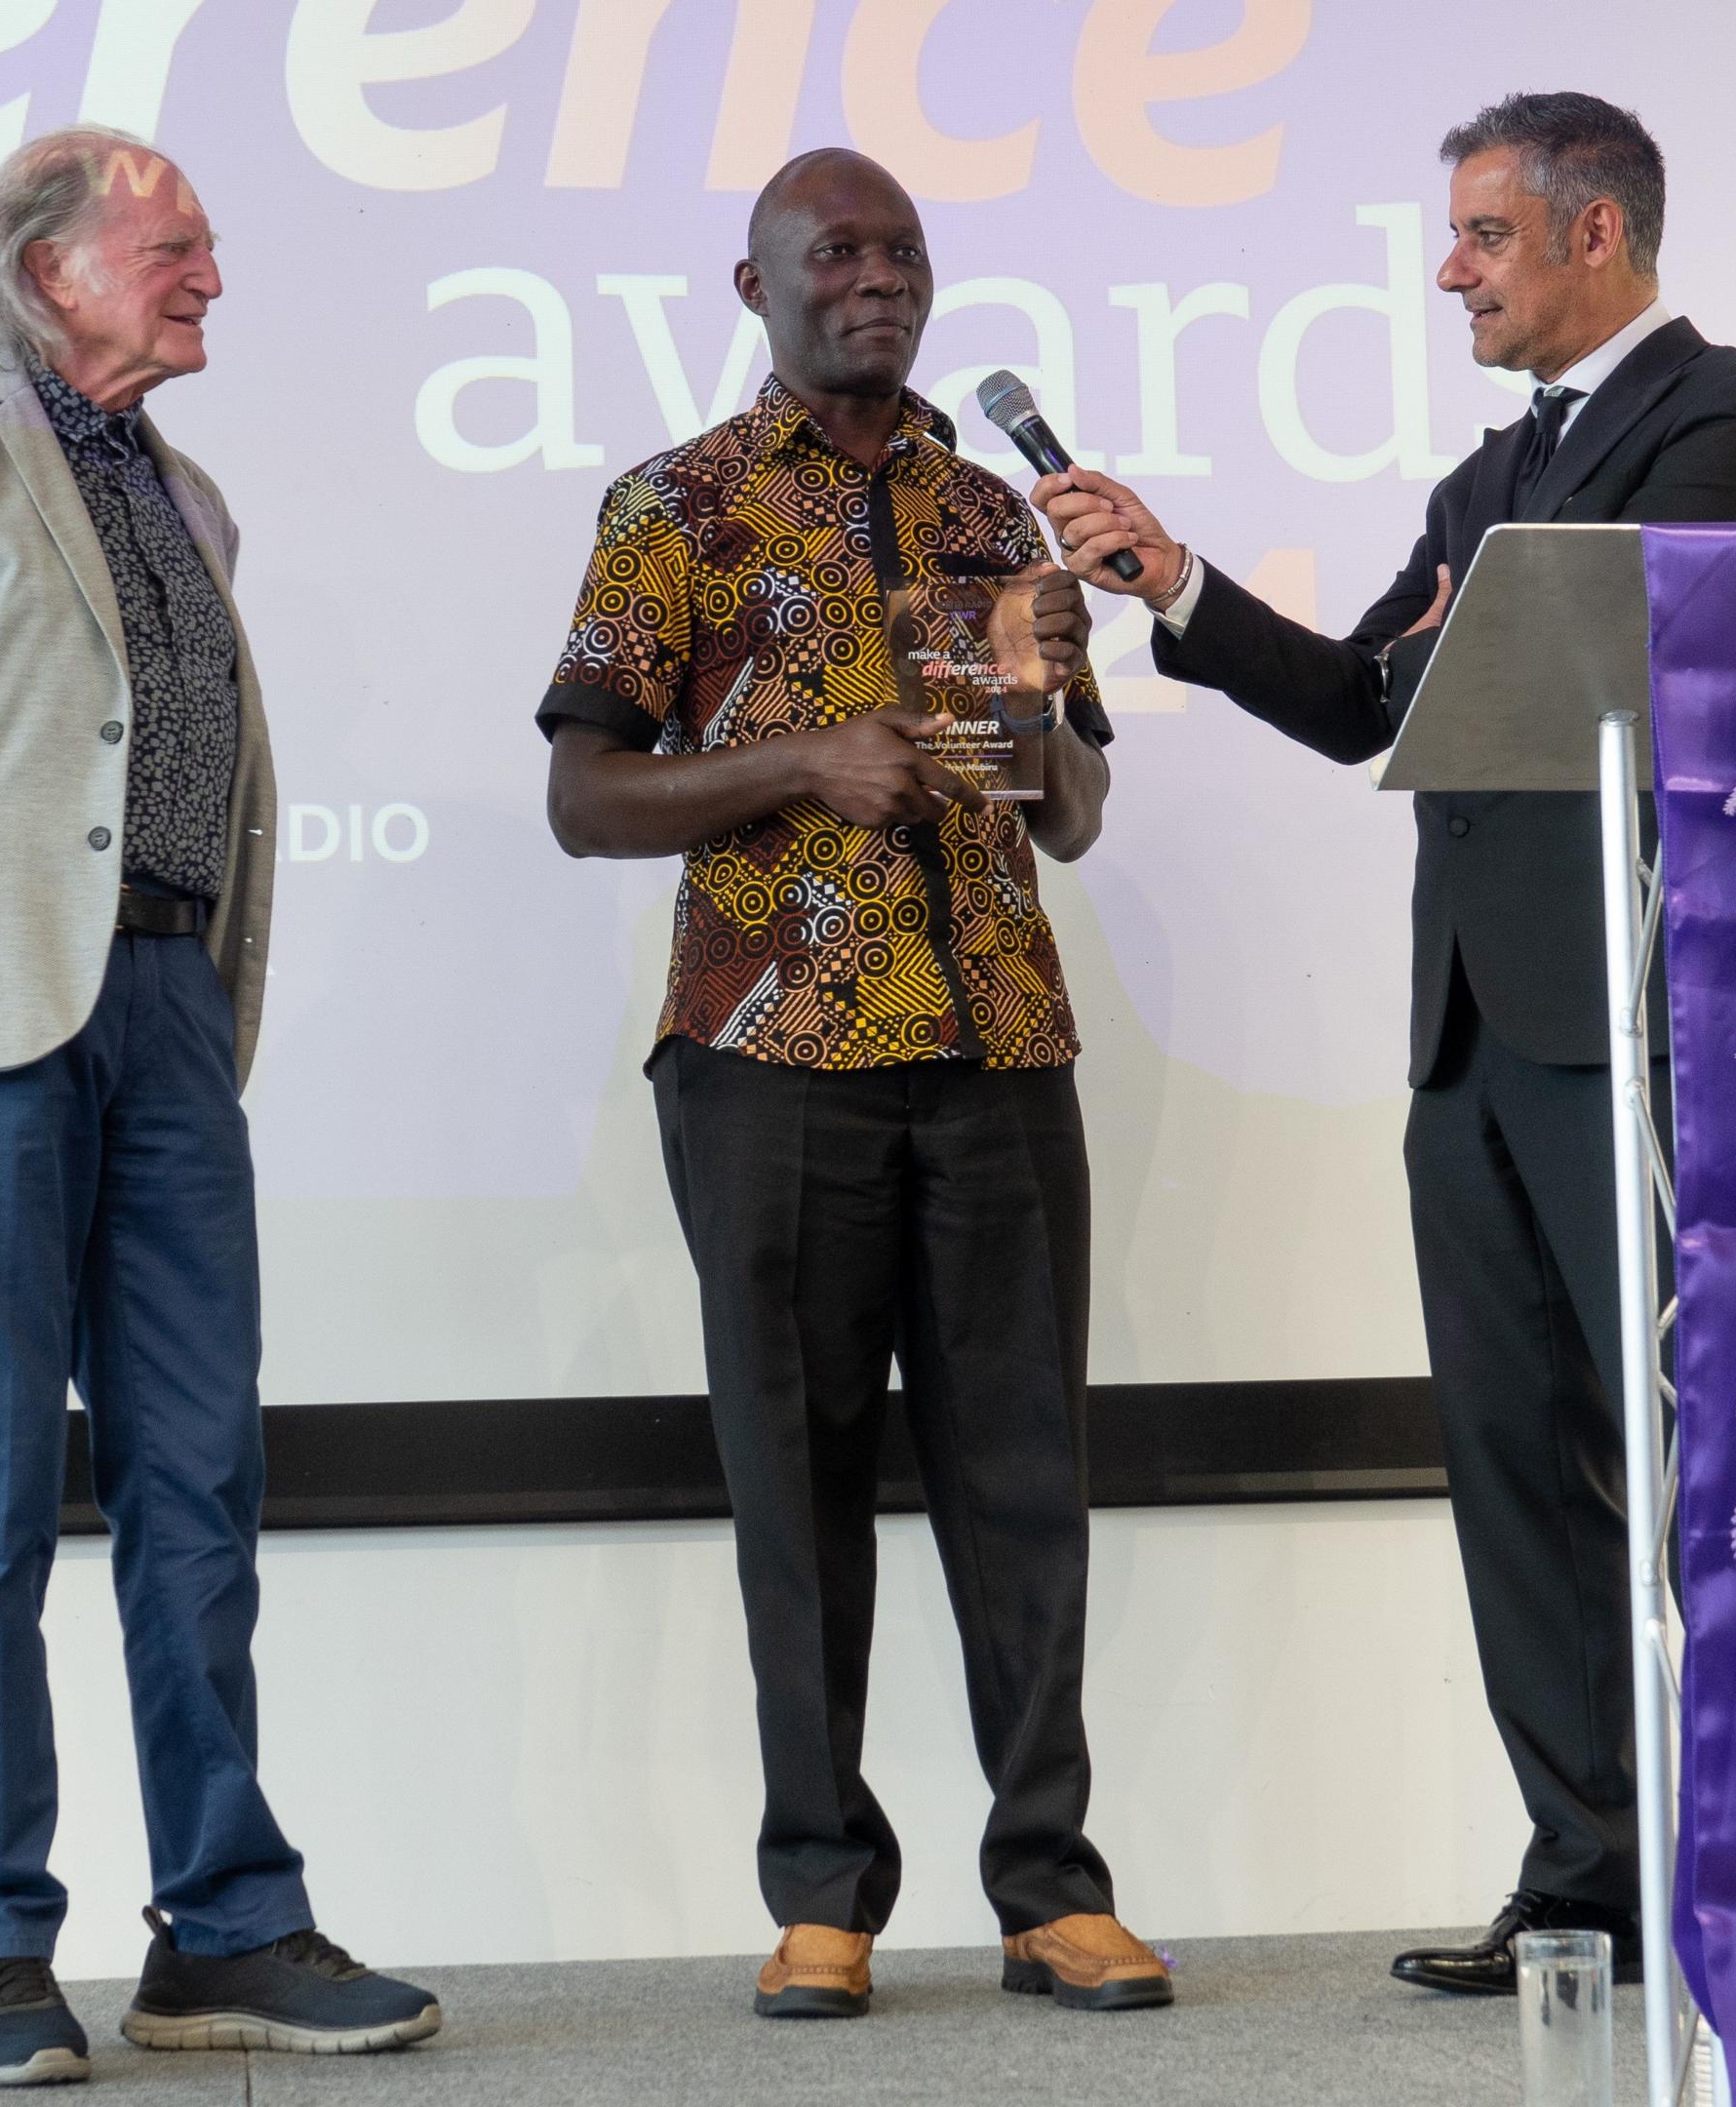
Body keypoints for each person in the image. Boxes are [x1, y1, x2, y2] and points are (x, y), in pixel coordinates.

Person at [1036, 91, 1736, 1997]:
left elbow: (1648, 643)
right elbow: (1364, 702)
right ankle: (1584, 1878)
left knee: (1685, 1446)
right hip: (1468, 1030)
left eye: (1479, 235)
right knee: (1513, 1460)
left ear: (1596, 236)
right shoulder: (1489, 483)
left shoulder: (1728, 414)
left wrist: (1476, 616)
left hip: (1636, 1007)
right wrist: (1179, 584)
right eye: (1451, 236)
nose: (1446, 270)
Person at [0, 125, 439, 2086]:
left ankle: (222, 1928)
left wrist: (197, 997)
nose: (211, 280)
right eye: (180, 249)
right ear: (54, 267)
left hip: (163, 1009)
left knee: (200, 1478)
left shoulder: (193, 495)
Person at [535, 147, 1169, 2022]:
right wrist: (801, 759)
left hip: (996, 1044)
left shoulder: (992, 511)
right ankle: (823, 1892)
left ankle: (1050, 1888)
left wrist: (1049, 695)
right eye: (836, 252)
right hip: (772, 1059)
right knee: (796, 1483)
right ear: (757, 291)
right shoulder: (675, 508)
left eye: (901, 250)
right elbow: (585, 799)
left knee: (1025, 1479)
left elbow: (1067, 815)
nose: (876, 276)